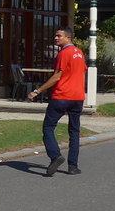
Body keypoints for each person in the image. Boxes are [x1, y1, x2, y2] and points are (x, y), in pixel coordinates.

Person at [27, 28, 86, 176]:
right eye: (55, 35)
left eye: (59, 36)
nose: (56, 38)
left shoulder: (64, 53)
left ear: (68, 37)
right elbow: (82, 73)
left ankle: (55, 156)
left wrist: (37, 91)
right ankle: (73, 166)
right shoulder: (79, 53)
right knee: (74, 131)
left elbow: (57, 76)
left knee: (48, 127)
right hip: (77, 97)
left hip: (61, 96)